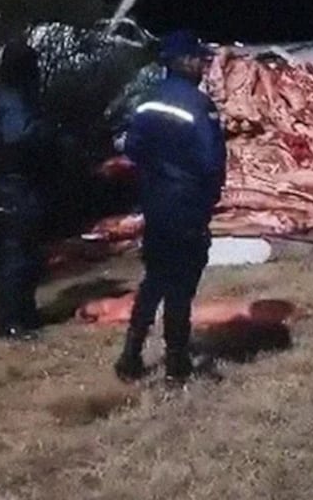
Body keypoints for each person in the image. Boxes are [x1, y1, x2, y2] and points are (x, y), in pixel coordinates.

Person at [114, 31, 227, 384]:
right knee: (180, 284)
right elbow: (211, 162)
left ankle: (131, 355)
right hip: (188, 205)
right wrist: (207, 195)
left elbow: (132, 149)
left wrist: (157, 173)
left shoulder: (147, 103)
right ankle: (176, 362)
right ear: (184, 62)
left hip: (156, 204)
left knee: (155, 279)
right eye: (199, 59)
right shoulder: (199, 105)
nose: (203, 65)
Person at [0, 40, 53, 341]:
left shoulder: (3, 97)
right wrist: (49, 136)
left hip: (11, 184)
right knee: (16, 252)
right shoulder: (12, 101)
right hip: (14, 186)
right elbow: (19, 138)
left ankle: (24, 312)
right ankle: (12, 321)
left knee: (23, 251)